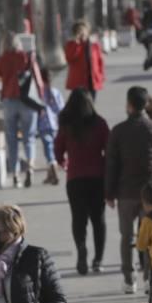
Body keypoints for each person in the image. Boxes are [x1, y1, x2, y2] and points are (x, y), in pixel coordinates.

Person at [105, 86, 152, 294]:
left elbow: (111, 164)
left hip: (125, 192)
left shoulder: (118, 131)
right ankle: (150, 279)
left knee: (127, 237)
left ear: (128, 105)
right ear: (146, 105)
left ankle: (129, 279)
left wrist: (109, 193)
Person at [0, 33, 47, 188]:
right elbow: (38, 81)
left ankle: (15, 174)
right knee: (29, 137)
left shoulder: (2, 60)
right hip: (28, 102)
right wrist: (41, 102)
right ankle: (30, 167)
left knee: (11, 140)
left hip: (9, 101)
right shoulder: (27, 57)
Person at [55, 89, 110, 275]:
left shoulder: (66, 125)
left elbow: (57, 149)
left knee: (78, 219)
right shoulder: (100, 123)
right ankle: (98, 260)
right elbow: (109, 149)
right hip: (97, 178)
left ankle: (81, 249)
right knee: (98, 219)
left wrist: (64, 162)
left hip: (75, 178)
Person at [64, 20, 106, 97]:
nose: (82, 33)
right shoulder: (71, 44)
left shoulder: (94, 45)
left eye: (84, 30)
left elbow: (100, 61)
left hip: (92, 80)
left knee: (91, 103)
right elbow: (70, 58)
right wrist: (76, 43)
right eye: (79, 30)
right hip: (78, 81)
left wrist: (101, 75)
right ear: (76, 32)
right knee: (79, 105)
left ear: (87, 31)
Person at [37, 69, 63, 185]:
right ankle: (50, 175)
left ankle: (53, 166)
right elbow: (60, 108)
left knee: (48, 149)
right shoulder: (55, 92)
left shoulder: (39, 93)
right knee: (52, 148)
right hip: (55, 124)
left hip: (43, 125)